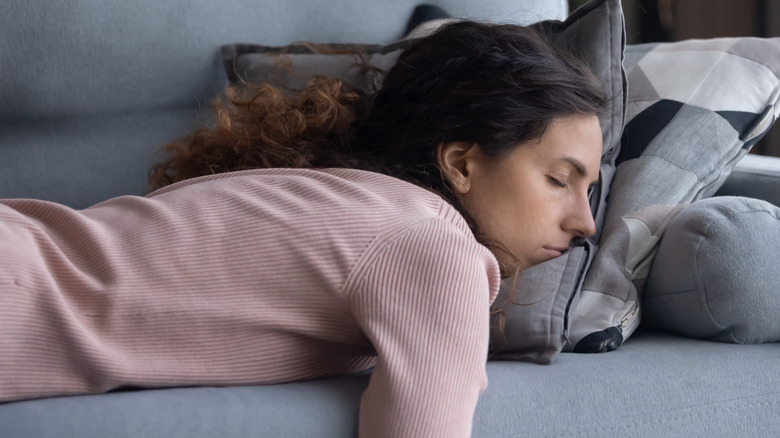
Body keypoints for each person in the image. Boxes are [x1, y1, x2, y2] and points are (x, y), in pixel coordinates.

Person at [0, 21, 605, 437]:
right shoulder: (432, 246)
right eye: (559, 178)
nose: (586, 223)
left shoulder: (344, 200)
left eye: (590, 189)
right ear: (461, 163)